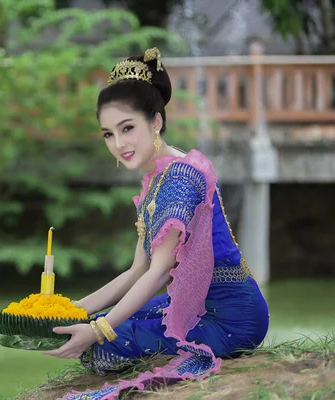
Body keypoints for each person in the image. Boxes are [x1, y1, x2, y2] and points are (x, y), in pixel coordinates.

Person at [42, 48, 270, 400]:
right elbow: (137, 270)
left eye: (127, 128)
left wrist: (98, 331)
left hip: (231, 319)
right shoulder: (156, 178)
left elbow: (159, 273)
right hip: (194, 305)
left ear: (156, 122)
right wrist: (69, 309)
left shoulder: (181, 178)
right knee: (86, 324)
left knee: (99, 347)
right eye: (108, 134)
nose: (119, 144)